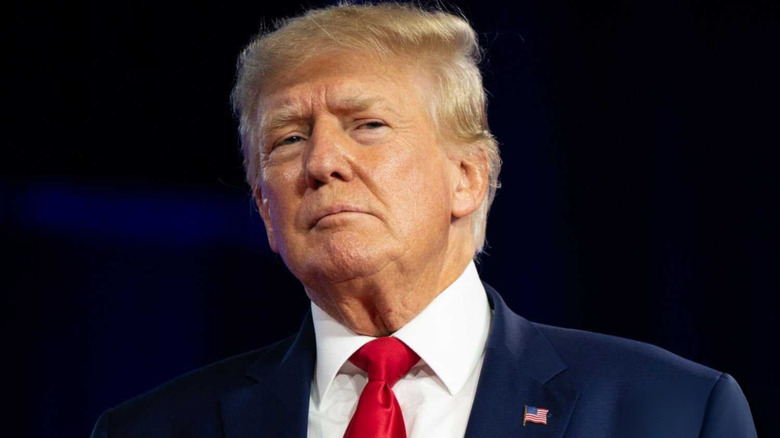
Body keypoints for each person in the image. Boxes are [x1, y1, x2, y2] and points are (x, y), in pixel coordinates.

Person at [91, 3, 756, 437]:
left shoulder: (670, 412)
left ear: (466, 178)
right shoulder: (153, 429)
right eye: (288, 139)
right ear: (266, 208)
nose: (321, 162)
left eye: (368, 125)